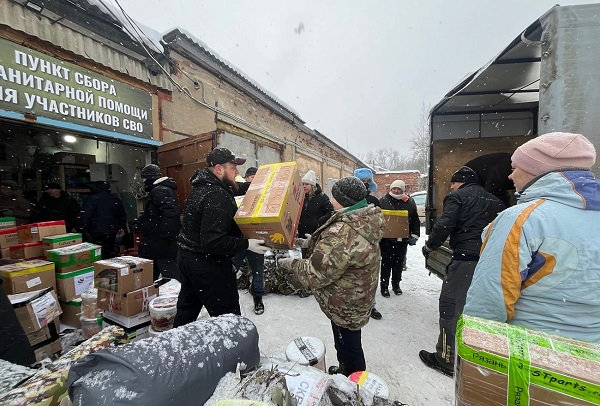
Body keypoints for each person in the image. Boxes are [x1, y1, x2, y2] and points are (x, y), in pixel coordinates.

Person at [464, 132, 600, 344]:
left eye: (514, 168)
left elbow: (490, 298)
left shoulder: (522, 219)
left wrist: (475, 349)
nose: (510, 176)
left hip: (531, 349)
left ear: (535, 170)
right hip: (591, 354)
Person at [278, 176, 386, 376]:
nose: (331, 198)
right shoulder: (362, 218)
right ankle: (348, 370)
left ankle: (352, 381)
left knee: (348, 346)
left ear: (343, 200)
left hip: (344, 303)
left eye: (334, 195)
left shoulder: (342, 232)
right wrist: (312, 243)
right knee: (349, 342)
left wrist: (291, 265)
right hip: (355, 295)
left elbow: (316, 273)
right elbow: (343, 253)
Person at [420, 166, 505, 377]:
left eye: (453, 183)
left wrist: (430, 246)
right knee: (479, 310)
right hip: (490, 262)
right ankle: (480, 357)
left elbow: (444, 225)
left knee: (450, 306)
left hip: (466, 259)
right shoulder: (497, 202)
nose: (451, 187)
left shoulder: (457, 197)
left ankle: (446, 359)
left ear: (462, 182)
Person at [173, 147, 268, 327]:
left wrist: (260, 186)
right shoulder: (216, 195)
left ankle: (175, 342)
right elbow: (213, 242)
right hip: (208, 266)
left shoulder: (203, 186)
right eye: (233, 167)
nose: (237, 172)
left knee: (187, 311)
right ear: (219, 169)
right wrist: (246, 244)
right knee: (229, 319)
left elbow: (236, 188)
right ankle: (234, 345)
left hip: (187, 258)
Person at [232, 166, 267, 315]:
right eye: (252, 177)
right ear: (246, 178)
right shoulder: (235, 190)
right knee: (231, 269)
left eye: (257, 178)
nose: (254, 181)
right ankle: (229, 298)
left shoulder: (262, 194)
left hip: (256, 239)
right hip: (237, 240)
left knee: (258, 271)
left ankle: (258, 298)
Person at [137, 164, 182, 281]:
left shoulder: (159, 190)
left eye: (144, 179)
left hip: (160, 242)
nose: (143, 183)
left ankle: (174, 290)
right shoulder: (161, 190)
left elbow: (170, 214)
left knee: (168, 274)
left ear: (149, 178)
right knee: (157, 272)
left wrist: (165, 235)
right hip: (159, 242)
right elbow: (159, 213)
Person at [378, 180, 420, 297]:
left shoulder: (409, 202)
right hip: (386, 240)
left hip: (402, 240)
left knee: (399, 263)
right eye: (394, 189)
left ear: (403, 190)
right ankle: (384, 286)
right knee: (386, 263)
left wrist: (415, 235)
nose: (396, 191)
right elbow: (377, 219)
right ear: (390, 189)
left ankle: (396, 285)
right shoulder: (383, 201)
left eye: (399, 189)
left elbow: (415, 220)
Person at [354, 167, 383, 320]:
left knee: (369, 278)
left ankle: (371, 306)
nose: (364, 184)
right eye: (361, 181)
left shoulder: (374, 201)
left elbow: (379, 224)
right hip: (352, 245)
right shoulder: (349, 201)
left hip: (369, 245)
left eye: (367, 181)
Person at [80, 181, 127, 259]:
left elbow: (85, 215)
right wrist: (122, 227)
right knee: (109, 250)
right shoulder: (115, 198)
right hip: (112, 230)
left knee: (97, 252)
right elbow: (122, 215)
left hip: (96, 231)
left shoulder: (91, 199)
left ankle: (100, 263)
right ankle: (108, 262)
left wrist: (80, 227)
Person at [297, 170, 334, 258]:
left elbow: (330, 212)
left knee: (316, 257)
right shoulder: (301, 197)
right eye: (303, 184)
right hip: (303, 233)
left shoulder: (322, 197)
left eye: (307, 184)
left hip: (316, 234)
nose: (304, 186)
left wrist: (319, 222)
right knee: (305, 256)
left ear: (312, 185)